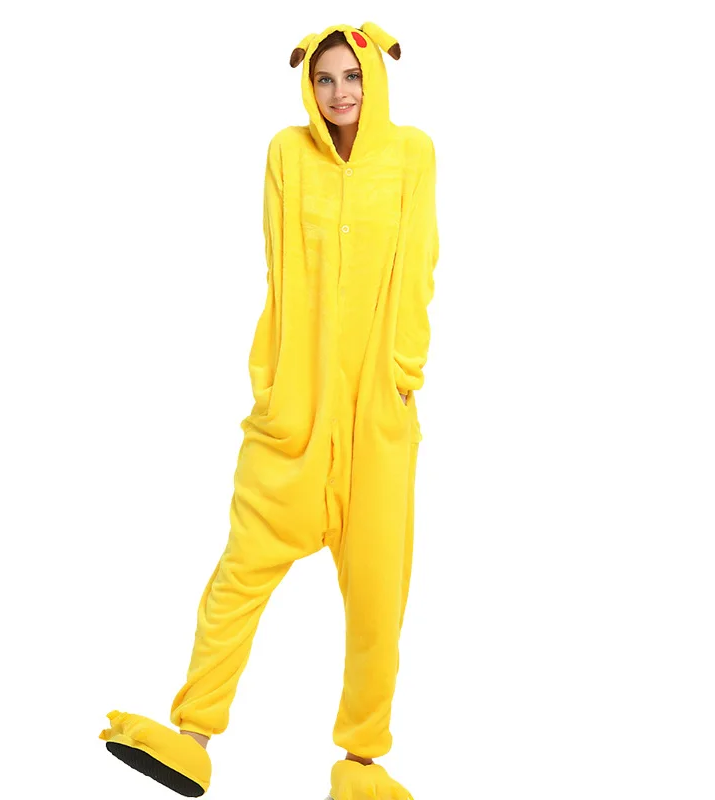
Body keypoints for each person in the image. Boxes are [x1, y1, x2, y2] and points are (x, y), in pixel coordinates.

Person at [99, 21, 439, 800]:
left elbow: (421, 262)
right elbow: (277, 269)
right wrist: (274, 387)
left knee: (379, 598)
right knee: (242, 569)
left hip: (378, 418)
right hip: (296, 408)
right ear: (308, 87)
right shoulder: (287, 154)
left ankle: (361, 765)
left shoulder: (413, 154)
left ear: (374, 80)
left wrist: (401, 374)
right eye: (324, 79)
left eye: (351, 76)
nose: (340, 92)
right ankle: (191, 739)